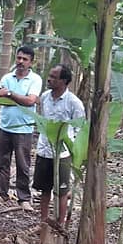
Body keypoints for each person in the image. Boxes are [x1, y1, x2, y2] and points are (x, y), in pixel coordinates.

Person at [33, 64, 85, 225]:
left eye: (54, 77)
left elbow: (79, 128)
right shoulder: (44, 97)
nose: (49, 79)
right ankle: (43, 221)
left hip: (62, 153)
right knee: (44, 189)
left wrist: (76, 152)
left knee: (61, 191)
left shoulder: (74, 103)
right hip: (44, 149)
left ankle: (60, 224)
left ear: (64, 81)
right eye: (49, 76)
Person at [0, 46, 42, 211]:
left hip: (24, 129)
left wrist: (10, 94)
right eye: (19, 58)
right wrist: (15, 97)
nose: (21, 62)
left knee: (23, 165)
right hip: (5, 126)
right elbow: (0, 95)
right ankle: (1, 194)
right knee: (2, 162)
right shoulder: (7, 77)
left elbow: (30, 101)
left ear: (31, 62)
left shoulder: (35, 80)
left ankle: (23, 198)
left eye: (25, 59)